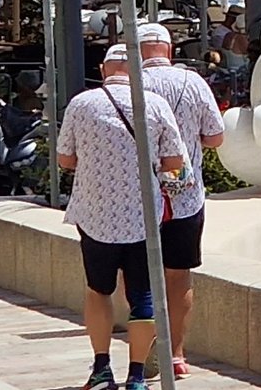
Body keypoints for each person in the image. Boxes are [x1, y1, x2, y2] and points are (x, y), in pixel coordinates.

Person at [55, 46, 185, 390]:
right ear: (137, 71)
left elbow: (65, 160)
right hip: (142, 218)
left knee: (98, 290)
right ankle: (137, 376)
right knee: (142, 294)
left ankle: (101, 370)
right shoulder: (154, 104)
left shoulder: (81, 104)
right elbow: (175, 161)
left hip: (94, 216)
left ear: (103, 70)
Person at [133, 23, 226, 380]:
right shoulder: (193, 82)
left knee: (138, 273)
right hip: (184, 196)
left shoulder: (131, 86)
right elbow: (216, 137)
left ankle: (145, 347)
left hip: (138, 197)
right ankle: (175, 354)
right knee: (179, 274)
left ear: (137, 51)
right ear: (169, 51)